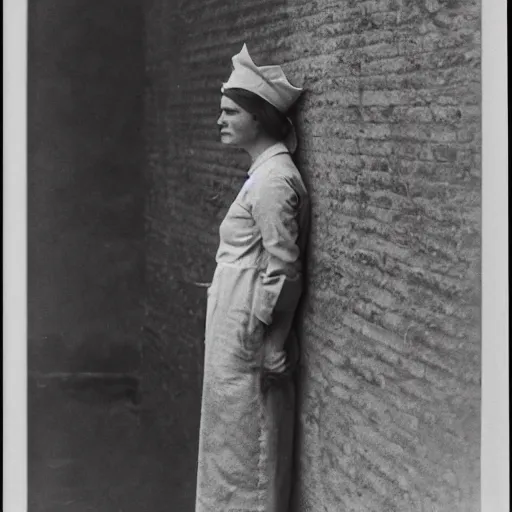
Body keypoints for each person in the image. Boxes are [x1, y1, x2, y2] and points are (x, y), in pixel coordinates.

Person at [195, 44, 309, 512]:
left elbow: (285, 268)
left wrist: (275, 340)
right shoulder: (260, 176)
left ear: (258, 118)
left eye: (229, 111)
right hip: (235, 318)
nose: (220, 120)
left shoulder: (273, 182)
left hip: (250, 327)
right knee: (228, 436)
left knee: (249, 442)